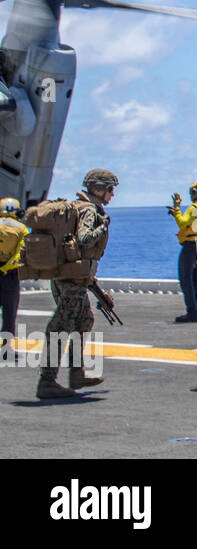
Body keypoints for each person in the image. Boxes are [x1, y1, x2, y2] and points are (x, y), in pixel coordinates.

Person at [36, 169, 116, 399]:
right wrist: (103, 225)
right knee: (60, 327)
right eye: (110, 189)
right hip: (71, 281)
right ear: (99, 189)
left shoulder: (76, 207)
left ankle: (77, 373)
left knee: (85, 320)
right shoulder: (90, 211)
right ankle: (47, 381)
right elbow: (84, 239)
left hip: (66, 277)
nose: (112, 195)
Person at [168, 181, 197, 323]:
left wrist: (177, 209)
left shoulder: (194, 208)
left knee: (186, 278)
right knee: (196, 278)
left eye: (193, 192)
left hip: (190, 245)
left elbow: (183, 223)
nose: (191, 195)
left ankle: (192, 312)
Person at [0, 198, 29, 360]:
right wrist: (4, 268)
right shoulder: (21, 228)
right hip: (10, 274)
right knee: (9, 313)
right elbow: (20, 253)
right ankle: (6, 349)